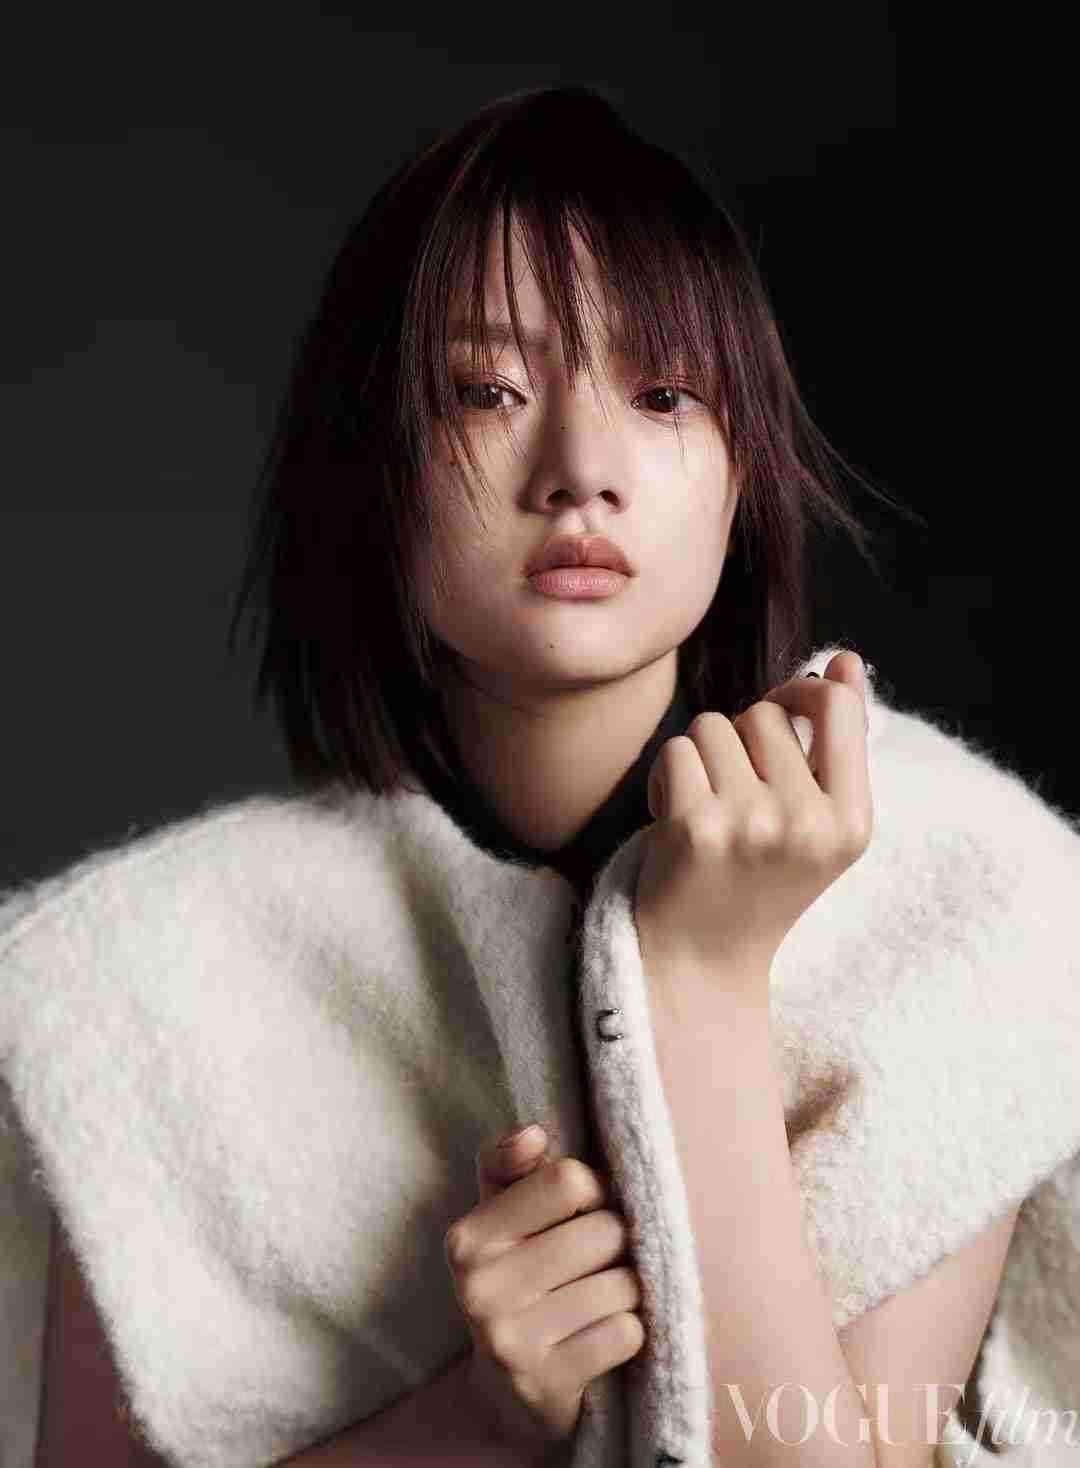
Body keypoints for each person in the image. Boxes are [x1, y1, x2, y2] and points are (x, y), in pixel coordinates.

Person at [3, 84, 1079, 1468]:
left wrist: (698, 981)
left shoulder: (957, 889)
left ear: (742, 473)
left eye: (662, 394)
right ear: (374, 468)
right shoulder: (141, 977)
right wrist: (464, 1426)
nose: (580, 472)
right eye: (487, 392)